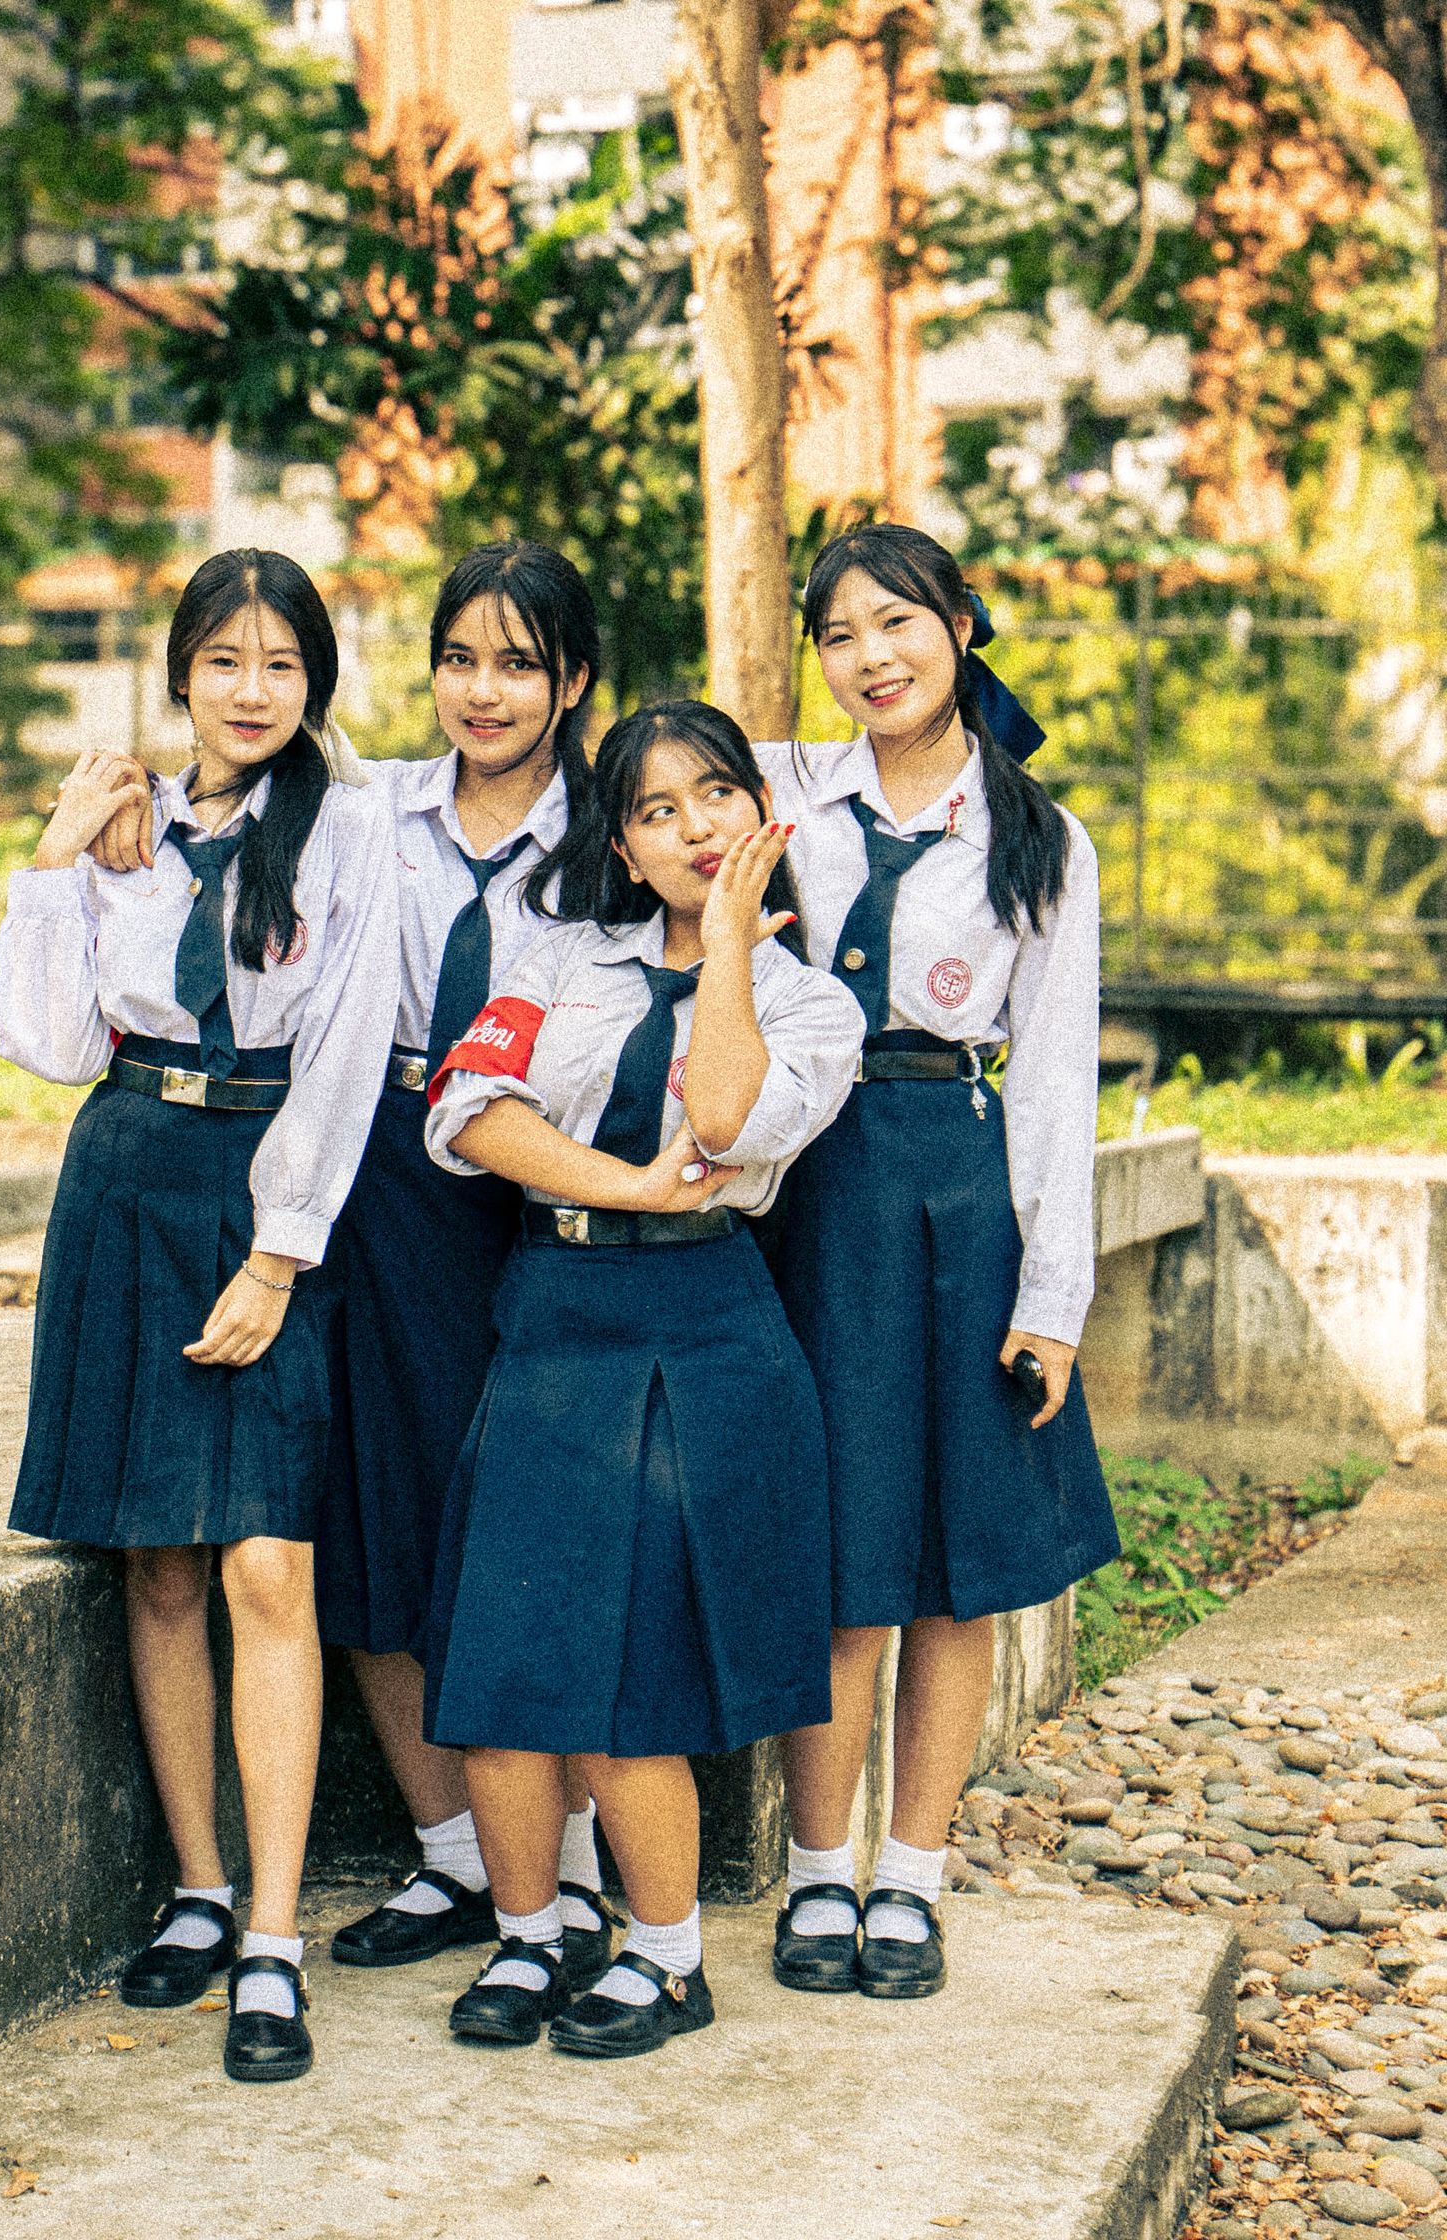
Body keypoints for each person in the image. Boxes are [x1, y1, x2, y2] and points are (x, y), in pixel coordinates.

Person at [87, 542, 619, 1982]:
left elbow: (784, 779)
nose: (485, 691)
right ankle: (456, 1858)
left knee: (520, 1506)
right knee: (370, 1498)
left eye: (520, 663)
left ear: (573, 682)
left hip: (538, 1183)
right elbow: (229, 823)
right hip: (370, 1163)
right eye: (460, 658)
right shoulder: (372, 810)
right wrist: (117, 825)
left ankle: (561, 1873)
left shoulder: (608, 837)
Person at [0, 548, 398, 2085]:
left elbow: (350, 1048)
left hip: (263, 1184)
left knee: (267, 1562)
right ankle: (201, 1894)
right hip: (127, 1178)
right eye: (222, 662)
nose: (250, 690)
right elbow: (46, 1038)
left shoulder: (352, 832)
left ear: (315, 685)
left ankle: (277, 1941)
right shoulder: (134, 827)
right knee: (158, 1561)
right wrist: (56, 858)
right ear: (181, 676)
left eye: (281, 665)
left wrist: (281, 1253)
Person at [420, 701, 862, 2059]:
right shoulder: (556, 955)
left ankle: (668, 1958)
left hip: (703, 1328)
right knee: (498, 1658)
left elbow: (725, 1123)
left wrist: (727, 946)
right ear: (619, 842)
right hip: (556, 1312)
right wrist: (616, 1183)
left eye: (715, 795)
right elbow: (464, 1110)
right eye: (657, 809)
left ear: (761, 811)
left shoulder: (813, 1001)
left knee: (626, 1682)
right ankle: (534, 1930)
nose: (692, 828)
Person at [759, 522, 1119, 2002]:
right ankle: (815, 1868)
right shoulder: (784, 796)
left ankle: (911, 1871)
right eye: (840, 635)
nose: (873, 659)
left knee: (954, 1573)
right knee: (842, 1554)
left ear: (965, 625)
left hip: (963, 1191)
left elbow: (1053, 1080)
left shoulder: (1038, 836)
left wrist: (1053, 1301)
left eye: (899, 623)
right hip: (817, 1190)